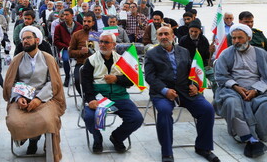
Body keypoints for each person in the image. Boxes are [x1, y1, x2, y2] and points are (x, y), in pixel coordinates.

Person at [144, 26, 219, 162]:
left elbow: (193, 71)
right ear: (157, 37)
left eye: (167, 33)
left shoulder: (183, 51)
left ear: (173, 36)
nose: (163, 37)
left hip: (185, 90)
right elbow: (150, 77)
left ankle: (203, 147)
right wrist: (165, 90)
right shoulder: (151, 54)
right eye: (160, 34)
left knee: (207, 110)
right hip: (162, 92)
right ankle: (167, 152)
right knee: (165, 111)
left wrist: (195, 85)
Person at [4, 26, 66, 161]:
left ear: (37, 40)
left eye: (28, 38)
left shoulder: (48, 58)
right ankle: (30, 139)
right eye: (23, 39)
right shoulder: (17, 59)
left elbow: (53, 82)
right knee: (14, 121)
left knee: (48, 121)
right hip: (22, 97)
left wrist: (38, 99)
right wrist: (19, 97)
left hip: (45, 98)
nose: (25, 41)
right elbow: (11, 82)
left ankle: (41, 145)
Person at [82, 32, 143, 153]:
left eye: (106, 42)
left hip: (119, 96)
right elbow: (86, 83)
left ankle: (117, 137)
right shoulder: (91, 60)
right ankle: (97, 137)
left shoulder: (122, 60)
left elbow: (131, 81)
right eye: (101, 42)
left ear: (114, 45)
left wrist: (117, 79)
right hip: (99, 97)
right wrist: (91, 99)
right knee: (88, 117)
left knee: (136, 118)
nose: (102, 45)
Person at [214, 24, 267, 158]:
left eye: (240, 38)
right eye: (234, 38)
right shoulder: (226, 53)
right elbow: (220, 76)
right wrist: (236, 87)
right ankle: (246, 136)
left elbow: (266, 77)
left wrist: (255, 90)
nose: (236, 41)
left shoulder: (261, 53)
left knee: (264, 104)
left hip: (258, 90)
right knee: (231, 102)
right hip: (232, 89)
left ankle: (261, 134)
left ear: (248, 38)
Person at [54, 8, 83, 87]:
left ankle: (80, 76)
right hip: (65, 48)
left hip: (77, 48)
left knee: (85, 58)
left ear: (72, 16)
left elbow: (82, 38)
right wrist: (66, 47)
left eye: (67, 15)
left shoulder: (79, 26)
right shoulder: (58, 27)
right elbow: (56, 41)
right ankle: (67, 76)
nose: (65, 17)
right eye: (64, 15)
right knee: (66, 59)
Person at [69, 11, 96, 94]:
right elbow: (70, 52)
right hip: (81, 63)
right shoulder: (76, 35)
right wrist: (81, 52)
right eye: (84, 21)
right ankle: (85, 98)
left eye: (89, 21)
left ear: (93, 23)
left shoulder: (97, 35)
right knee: (77, 79)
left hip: (96, 64)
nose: (86, 23)